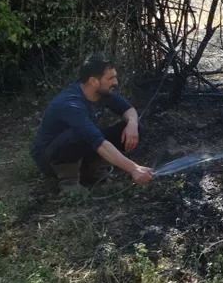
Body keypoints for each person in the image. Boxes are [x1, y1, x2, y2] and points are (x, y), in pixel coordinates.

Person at [30, 55, 154, 194]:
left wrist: (132, 124)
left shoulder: (103, 92)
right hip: (50, 159)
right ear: (94, 81)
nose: (116, 82)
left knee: (134, 127)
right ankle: (69, 183)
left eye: (115, 77)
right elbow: (97, 141)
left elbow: (128, 110)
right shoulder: (71, 104)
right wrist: (134, 169)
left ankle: (93, 172)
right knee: (80, 134)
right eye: (111, 78)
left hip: (82, 144)